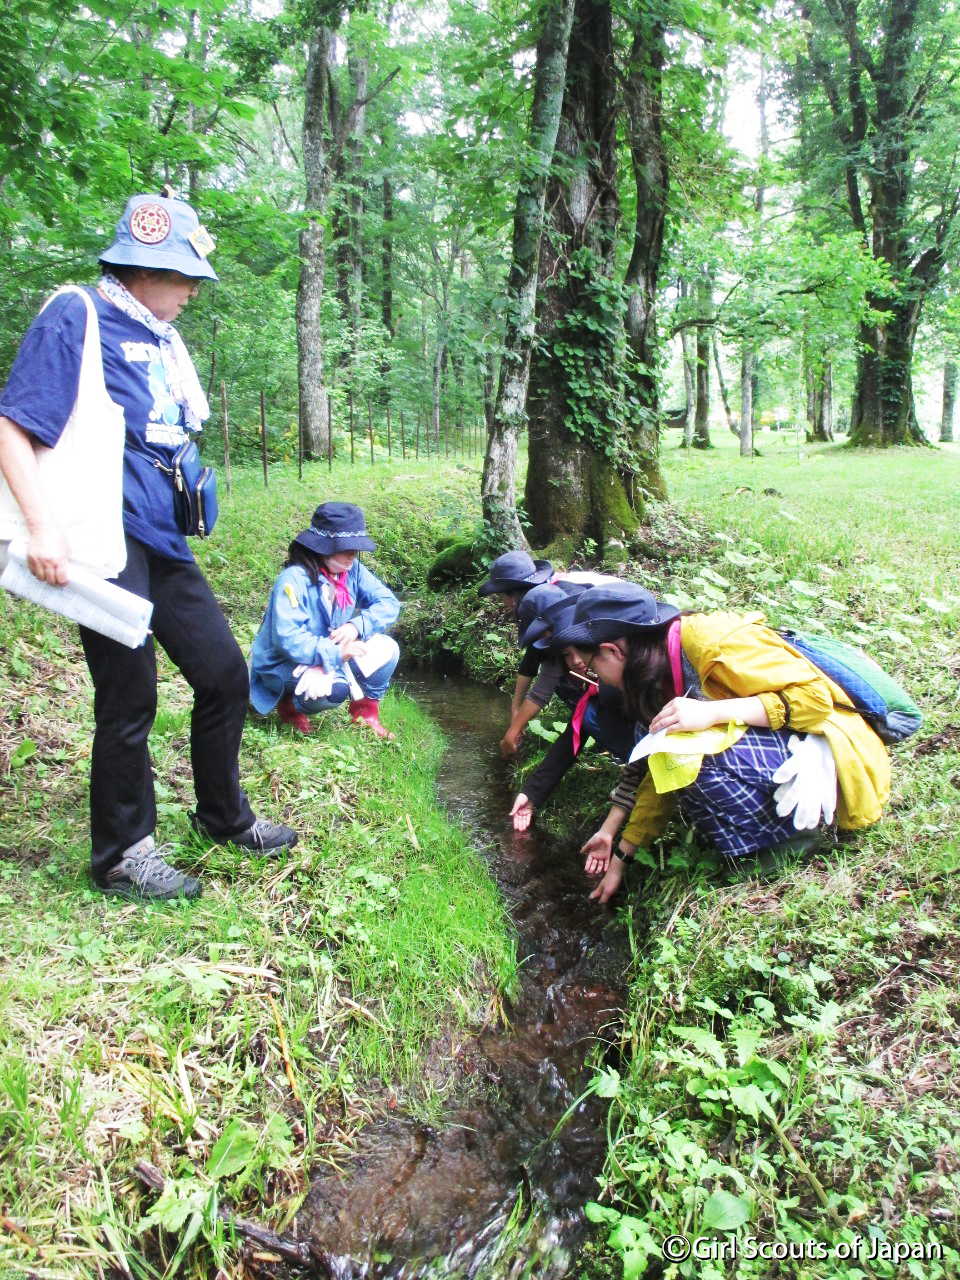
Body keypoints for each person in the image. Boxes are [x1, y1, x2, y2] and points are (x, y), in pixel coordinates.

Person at [0, 191, 298, 902]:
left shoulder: (160, 337)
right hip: (104, 539)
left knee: (224, 674)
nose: (193, 291)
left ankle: (222, 818)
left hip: (160, 538)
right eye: (183, 276)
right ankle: (123, 856)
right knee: (129, 697)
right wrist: (42, 529)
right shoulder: (77, 314)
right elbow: (13, 426)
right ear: (141, 268)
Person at [550, 583, 891, 904]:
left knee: (687, 748)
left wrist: (711, 712)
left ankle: (798, 840)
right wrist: (622, 855)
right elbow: (659, 776)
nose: (597, 678)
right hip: (785, 749)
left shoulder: (713, 642)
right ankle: (766, 835)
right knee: (672, 749)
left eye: (593, 667)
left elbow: (816, 700)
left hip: (830, 750)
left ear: (612, 650)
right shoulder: (655, 673)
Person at [249, 502, 400, 740]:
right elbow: (288, 638)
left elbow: (389, 603)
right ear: (323, 547)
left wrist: (356, 626)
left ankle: (365, 715)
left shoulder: (353, 570)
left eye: (356, 547)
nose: (353, 554)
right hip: (285, 662)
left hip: (331, 652)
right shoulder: (293, 580)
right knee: (335, 690)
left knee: (389, 650)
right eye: (346, 548)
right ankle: (288, 703)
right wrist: (334, 654)